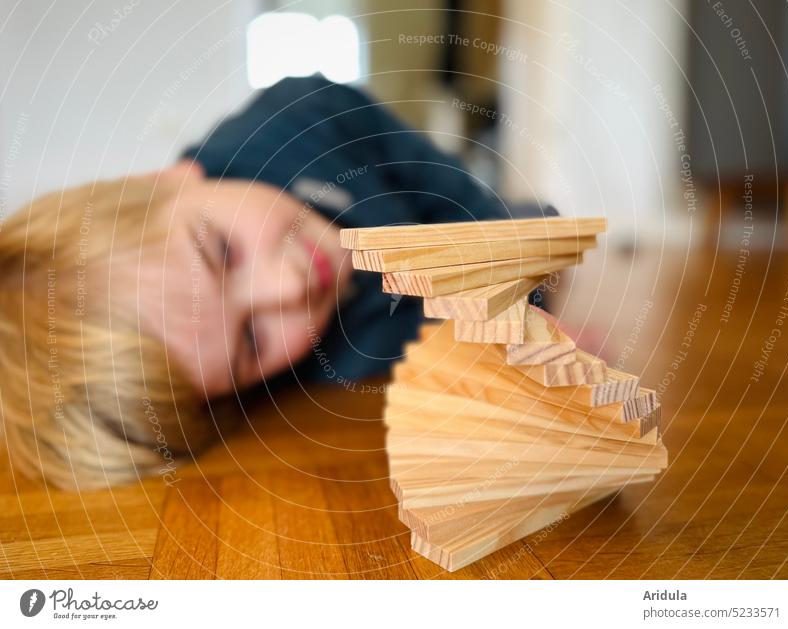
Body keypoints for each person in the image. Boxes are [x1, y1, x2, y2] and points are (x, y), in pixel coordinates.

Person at [0, 76, 555, 490]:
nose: (287, 288)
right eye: (252, 341)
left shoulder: (304, 118)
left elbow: (458, 201)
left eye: (223, 252)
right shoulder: (337, 374)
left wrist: (513, 270)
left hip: (452, 211)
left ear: (169, 182)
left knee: (534, 231)